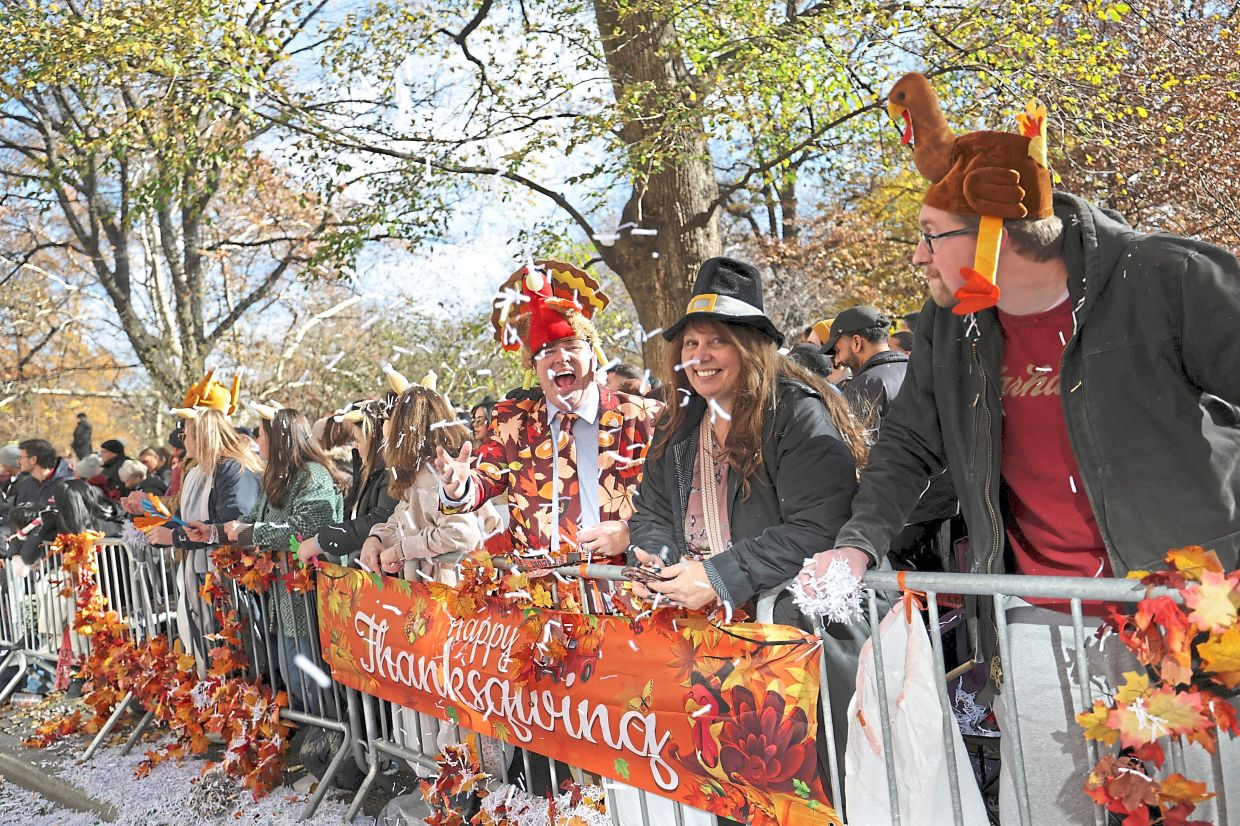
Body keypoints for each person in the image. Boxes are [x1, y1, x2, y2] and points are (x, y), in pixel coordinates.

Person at [803, 71, 1240, 824]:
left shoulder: (1167, 278)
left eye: (930, 236)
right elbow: (908, 444)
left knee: (1202, 806)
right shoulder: (951, 324)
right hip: (1036, 616)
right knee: (1055, 810)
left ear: (995, 234)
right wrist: (857, 546)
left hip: (1189, 616)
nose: (917, 258)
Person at [625, 256, 870, 780]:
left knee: (808, 791)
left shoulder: (797, 413)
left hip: (798, 642)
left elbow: (819, 526)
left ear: (751, 345)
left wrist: (716, 577)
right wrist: (658, 557)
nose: (700, 356)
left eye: (716, 341)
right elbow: (650, 511)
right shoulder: (678, 423)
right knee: (728, 790)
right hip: (710, 648)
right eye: (690, 344)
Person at [436, 261, 661, 564]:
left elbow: (678, 502)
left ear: (592, 354)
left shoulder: (646, 417)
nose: (560, 358)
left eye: (571, 345)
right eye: (547, 351)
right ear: (534, 366)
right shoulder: (511, 421)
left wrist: (630, 531)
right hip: (543, 598)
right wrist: (457, 486)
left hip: (626, 591)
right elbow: (483, 480)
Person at [186, 407, 346, 713]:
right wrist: (211, 531)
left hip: (309, 595)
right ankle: (314, 735)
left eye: (260, 434)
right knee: (293, 675)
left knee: (311, 677)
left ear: (278, 436)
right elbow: (250, 519)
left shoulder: (314, 476)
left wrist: (249, 532)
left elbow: (307, 530)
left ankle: (333, 739)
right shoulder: (280, 476)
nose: (257, 440)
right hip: (283, 597)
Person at [361, 384, 486, 577]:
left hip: (449, 595)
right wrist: (377, 538)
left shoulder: (434, 474)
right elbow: (405, 518)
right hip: (431, 594)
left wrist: (400, 550)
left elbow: (462, 534)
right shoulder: (418, 471)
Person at [297, 397, 399, 567]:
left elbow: (380, 520)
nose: (356, 447)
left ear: (372, 438)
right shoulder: (369, 470)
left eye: (358, 440)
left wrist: (322, 541)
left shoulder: (390, 472)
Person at [823, 307, 909, 429]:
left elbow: (856, 444)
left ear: (857, 342)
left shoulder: (865, 385)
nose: (837, 360)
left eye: (838, 351)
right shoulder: (916, 370)